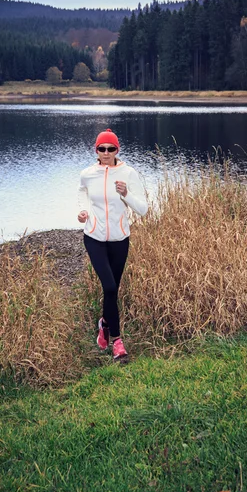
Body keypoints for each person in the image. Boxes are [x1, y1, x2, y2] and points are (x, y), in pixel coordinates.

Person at [78, 128, 148, 362]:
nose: (106, 153)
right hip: (94, 238)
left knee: (113, 290)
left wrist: (126, 194)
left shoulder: (129, 173)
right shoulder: (87, 174)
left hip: (120, 239)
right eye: (102, 148)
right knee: (109, 287)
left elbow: (144, 209)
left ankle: (104, 323)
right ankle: (118, 343)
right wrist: (82, 211)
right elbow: (82, 194)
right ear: (96, 150)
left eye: (111, 148)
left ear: (117, 150)